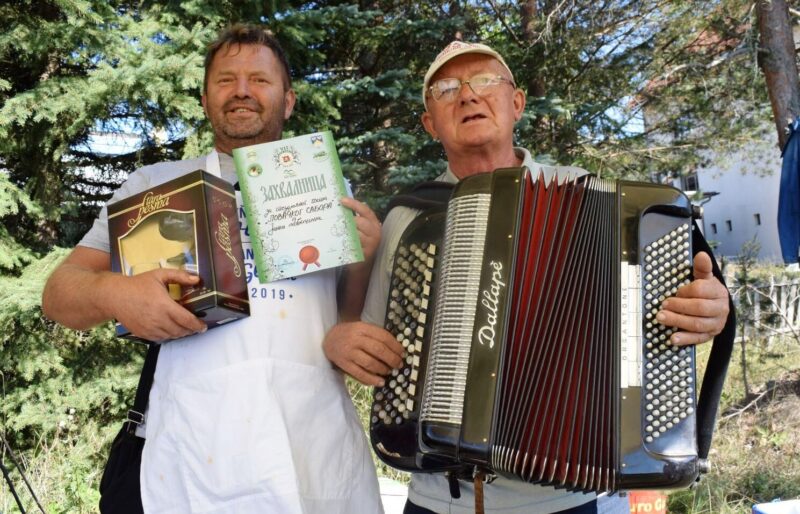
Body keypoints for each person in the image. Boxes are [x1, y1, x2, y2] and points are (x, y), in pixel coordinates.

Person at [323, 41, 732, 514]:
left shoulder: (595, 201)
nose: (469, 96)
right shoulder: (406, 218)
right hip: (438, 500)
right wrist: (343, 339)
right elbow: (371, 343)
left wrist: (708, 308)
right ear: (430, 123)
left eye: (486, 81)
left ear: (516, 103)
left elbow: (655, 317)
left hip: (569, 497)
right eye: (447, 88)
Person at [41, 24, 385, 514]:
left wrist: (363, 264)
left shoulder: (327, 186)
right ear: (205, 99)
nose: (242, 90)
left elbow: (346, 325)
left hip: (310, 444)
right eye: (227, 79)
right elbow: (59, 294)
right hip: (191, 447)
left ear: (287, 101)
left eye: (259, 80)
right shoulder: (153, 186)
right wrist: (118, 295)